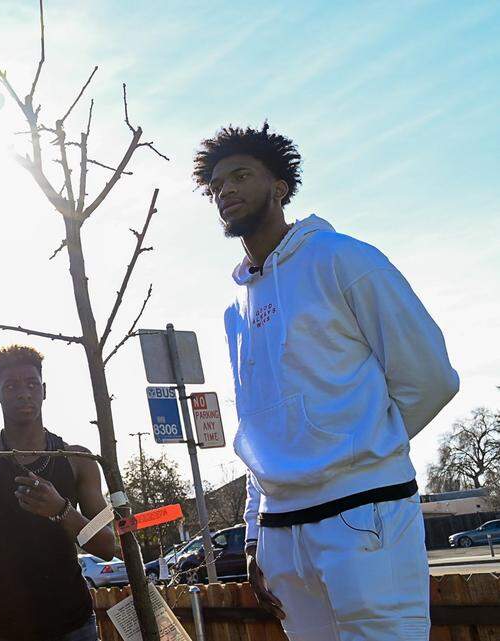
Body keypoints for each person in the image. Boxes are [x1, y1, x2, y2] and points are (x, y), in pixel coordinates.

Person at [193, 124, 459, 641]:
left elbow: (430, 377)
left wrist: (360, 448)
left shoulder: (342, 258)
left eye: (242, 175)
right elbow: (259, 425)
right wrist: (254, 535)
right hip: (280, 532)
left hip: (364, 514)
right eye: (217, 184)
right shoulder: (236, 308)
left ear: (280, 186)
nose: (226, 190)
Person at [0, 345, 114, 641]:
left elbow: (107, 545)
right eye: (11, 386)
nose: (23, 393)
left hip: (74, 623)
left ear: (44, 390)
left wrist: (61, 510)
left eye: (31, 384)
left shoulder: (79, 461)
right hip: (8, 624)